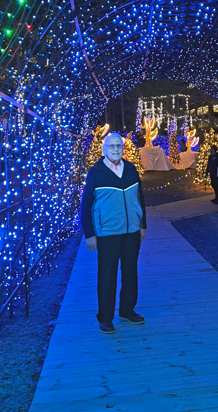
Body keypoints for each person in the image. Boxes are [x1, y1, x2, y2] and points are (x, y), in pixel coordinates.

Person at [80, 132, 147, 335]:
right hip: (107, 232)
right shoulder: (96, 173)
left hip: (131, 231)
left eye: (119, 146)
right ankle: (105, 316)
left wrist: (142, 224)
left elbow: (140, 197)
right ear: (104, 149)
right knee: (107, 274)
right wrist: (89, 234)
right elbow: (86, 205)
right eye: (112, 146)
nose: (116, 149)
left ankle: (127, 310)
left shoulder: (131, 169)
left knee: (130, 272)